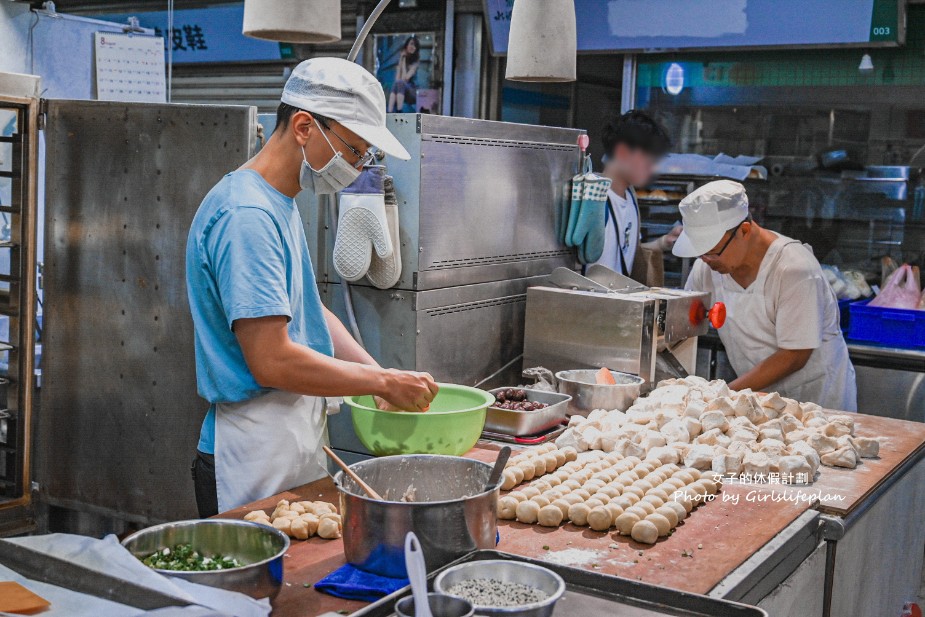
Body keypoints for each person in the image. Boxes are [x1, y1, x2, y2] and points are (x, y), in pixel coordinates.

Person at [186, 57, 438, 517]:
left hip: (291, 436)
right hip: (251, 452)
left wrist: (373, 376)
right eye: (354, 150)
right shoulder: (247, 216)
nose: (356, 165)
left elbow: (308, 311)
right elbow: (272, 360)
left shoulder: (279, 202)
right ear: (304, 126)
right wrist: (381, 380)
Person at [674, 180, 857, 411]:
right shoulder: (709, 266)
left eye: (712, 251)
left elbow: (794, 355)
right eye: (700, 253)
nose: (706, 260)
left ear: (744, 231)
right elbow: (682, 321)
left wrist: (725, 396)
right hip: (758, 398)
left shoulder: (794, 269)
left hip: (815, 402)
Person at [592, 110, 681, 277]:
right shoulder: (592, 201)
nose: (653, 167)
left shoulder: (631, 198)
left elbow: (628, 253)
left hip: (619, 301)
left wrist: (664, 242)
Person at [387, 36, 419, 113]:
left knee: (400, 83)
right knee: (397, 83)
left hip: (412, 93)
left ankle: (398, 110)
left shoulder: (415, 63)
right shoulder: (401, 60)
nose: (413, 47)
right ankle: (389, 112)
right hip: (401, 91)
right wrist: (401, 59)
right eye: (411, 44)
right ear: (406, 46)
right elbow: (397, 79)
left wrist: (403, 60)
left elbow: (405, 78)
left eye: (415, 46)